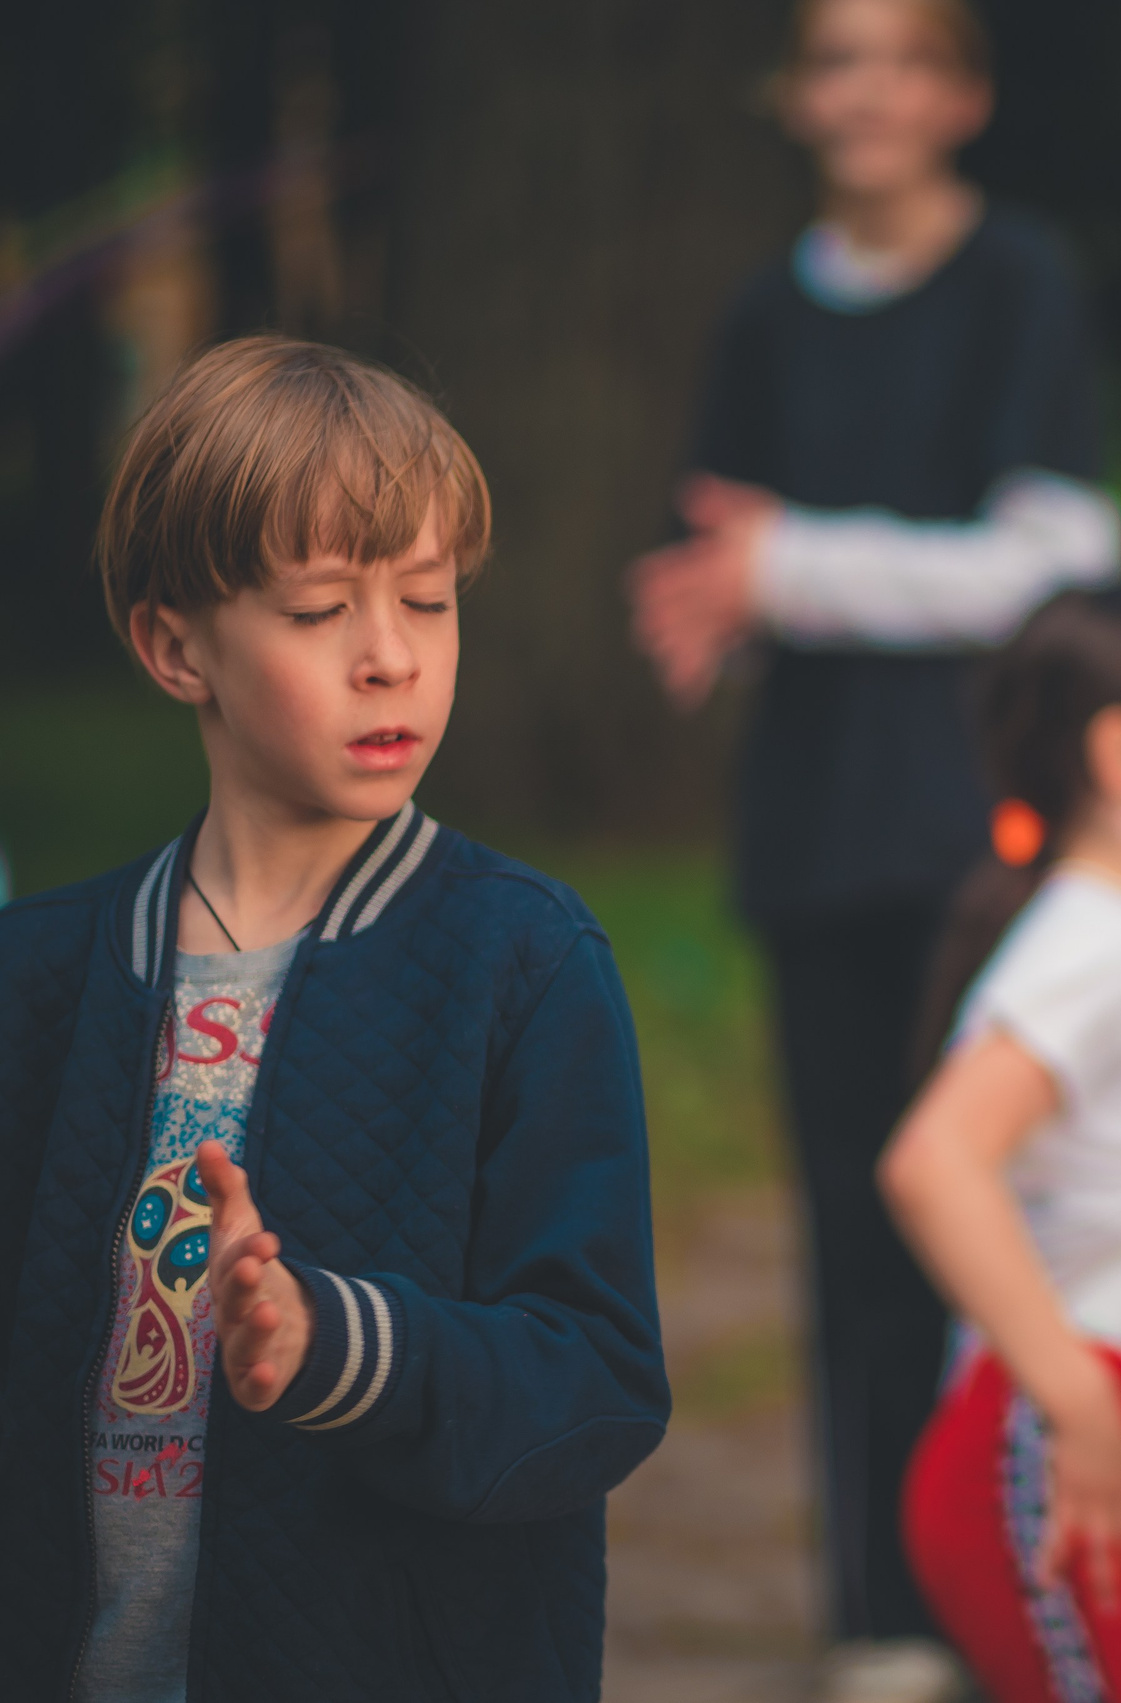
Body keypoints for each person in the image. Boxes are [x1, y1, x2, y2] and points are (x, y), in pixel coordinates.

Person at [0, 336, 668, 1700]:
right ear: (174, 644)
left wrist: (333, 1340)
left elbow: (595, 1377)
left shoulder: (523, 962)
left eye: (428, 600)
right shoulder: (39, 974)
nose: (389, 658)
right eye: (318, 611)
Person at [624, 1, 1118, 1690]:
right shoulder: (763, 315)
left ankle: (1023, 1579)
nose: (871, 89)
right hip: (814, 838)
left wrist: (796, 574)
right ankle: (884, 1613)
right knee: (849, 1231)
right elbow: (728, 545)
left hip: (973, 842)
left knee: (996, 1223)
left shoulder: (1020, 284)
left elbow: (1049, 563)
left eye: (906, 55)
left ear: (964, 94)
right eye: (837, 55)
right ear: (794, 94)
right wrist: (721, 610)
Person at [878, 583, 1121, 1703]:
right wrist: (1082, 1404)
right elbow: (933, 1160)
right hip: (1047, 1458)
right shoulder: (1095, 941)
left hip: (1065, 1456)